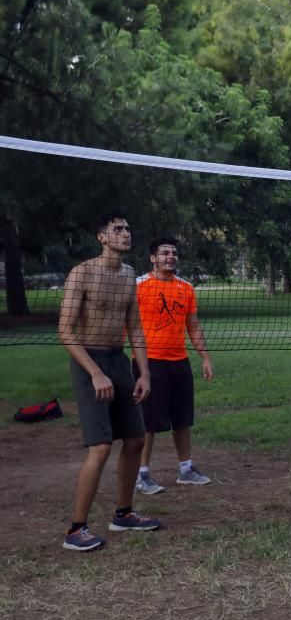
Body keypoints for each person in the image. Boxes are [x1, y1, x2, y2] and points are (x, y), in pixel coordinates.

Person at [58, 213, 161, 551]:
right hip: (89, 360)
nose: (125, 233)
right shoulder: (82, 273)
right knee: (101, 446)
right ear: (101, 237)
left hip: (118, 360)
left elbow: (134, 328)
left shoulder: (129, 274)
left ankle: (123, 513)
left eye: (129, 228)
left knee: (134, 440)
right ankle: (76, 530)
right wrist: (95, 372)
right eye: (118, 229)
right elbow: (65, 331)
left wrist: (143, 372)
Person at [133, 237, 215, 495]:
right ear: (153, 258)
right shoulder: (137, 286)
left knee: (182, 419)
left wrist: (204, 357)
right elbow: (129, 324)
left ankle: (186, 469)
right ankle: (141, 474)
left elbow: (193, 325)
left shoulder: (186, 288)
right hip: (149, 361)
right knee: (149, 422)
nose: (171, 256)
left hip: (179, 361)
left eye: (174, 253)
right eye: (165, 253)